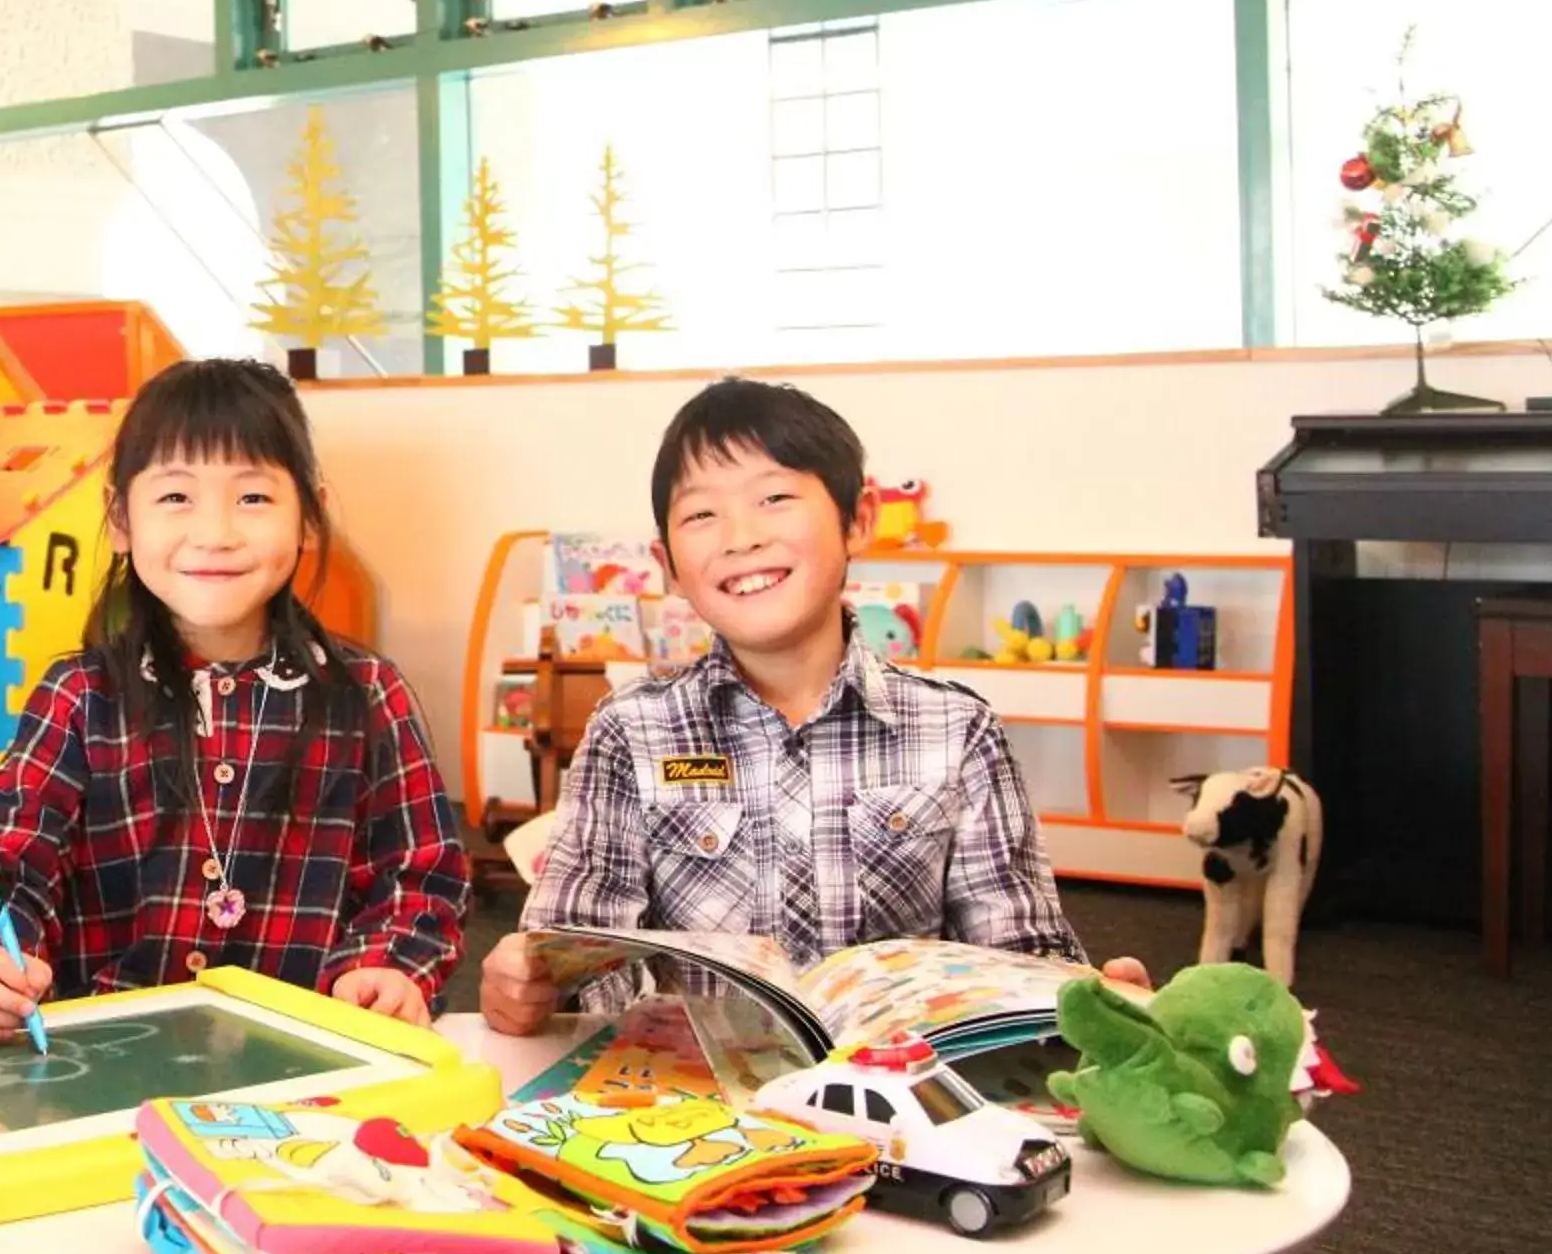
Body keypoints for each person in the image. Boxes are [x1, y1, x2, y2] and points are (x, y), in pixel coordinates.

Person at [484, 377, 1145, 1033]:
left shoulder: (957, 729)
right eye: (701, 515)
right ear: (669, 566)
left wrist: (1084, 1003)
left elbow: (1017, 952)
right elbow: (578, 959)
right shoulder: (631, 732)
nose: (740, 537)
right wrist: (534, 986)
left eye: (774, 498)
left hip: (901, 1099)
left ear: (858, 520)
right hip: (700, 1103)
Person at [0, 358, 468, 1041]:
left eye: (252, 498)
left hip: (306, 1065)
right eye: (176, 498)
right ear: (121, 519)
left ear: (310, 516)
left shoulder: (367, 696)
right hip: (102, 1065)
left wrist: (390, 968)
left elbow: (420, 878)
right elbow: (5, 861)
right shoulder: (76, 696)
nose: (214, 534)